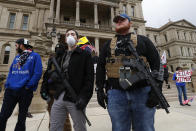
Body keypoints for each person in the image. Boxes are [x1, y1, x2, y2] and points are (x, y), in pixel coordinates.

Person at [96, 14, 161, 131]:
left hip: (142, 92)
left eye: (123, 20)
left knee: (145, 128)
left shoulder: (143, 40)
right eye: (117, 21)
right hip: (116, 93)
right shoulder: (107, 44)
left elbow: (157, 64)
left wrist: (157, 89)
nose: (119, 21)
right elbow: (100, 67)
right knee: (119, 128)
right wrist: (99, 90)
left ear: (130, 23)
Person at [50, 29, 94, 131]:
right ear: (65, 39)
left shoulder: (85, 55)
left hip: (76, 97)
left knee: (79, 127)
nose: (70, 36)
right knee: (54, 127)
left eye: (73, 34)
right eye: (68, 35)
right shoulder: (62, 55)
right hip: (60, 95)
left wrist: (84, 98)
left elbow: (89, 79)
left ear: (77, 39)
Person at [0, 38, 42, 131]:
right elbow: (11, 71)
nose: (15, 47)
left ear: (21, 45)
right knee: (3, 116)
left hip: (25, 91)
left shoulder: (35, 56)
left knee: (21, 118)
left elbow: (38, 73)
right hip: (11, 90)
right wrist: (8, 84)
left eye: (16, 45)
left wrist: (28, 86)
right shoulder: (17, 57)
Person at [40, 43, 72, 131]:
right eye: (57, 48)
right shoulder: (52, 59)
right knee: (52, 117)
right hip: (51, 92)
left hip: (62, 93)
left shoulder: (67, 58)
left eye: (60, 48)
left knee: (65, 118)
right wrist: (43, 88)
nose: (58, 50)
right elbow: (46, 75)